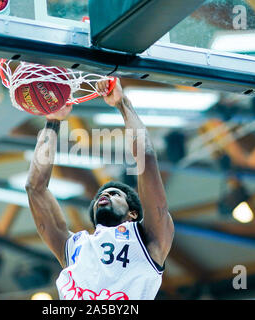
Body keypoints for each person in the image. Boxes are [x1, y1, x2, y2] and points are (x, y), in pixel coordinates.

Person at [25, 78, 174, 300]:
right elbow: (34, 188)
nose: (104, 194)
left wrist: (122, 103)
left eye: (115, 194)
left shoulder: (148, 240)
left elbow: (147, 161)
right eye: (100, 196)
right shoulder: (74, 247)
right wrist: (52, 121)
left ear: (133, 213)